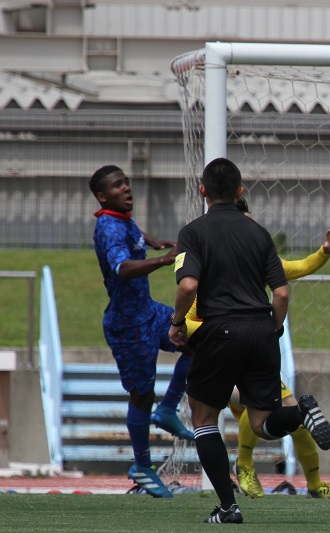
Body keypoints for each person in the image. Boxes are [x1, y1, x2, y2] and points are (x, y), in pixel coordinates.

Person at [169, 157, 330, 524]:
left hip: (220, 331)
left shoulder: (193, 232)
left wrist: (177, 321)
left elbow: (188, 285)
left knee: (204, 417)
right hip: (261, 331)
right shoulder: (258, 234)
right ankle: (300, 412)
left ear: (202, 191)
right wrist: (273, 328)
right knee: (263, 422)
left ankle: (228, 508)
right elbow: (282, 294)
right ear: (240, 191)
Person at [89, 165, 194, 499]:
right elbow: (121, 268)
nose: (127, 188)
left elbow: (131, 237)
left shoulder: (121, 218)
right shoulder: (107, 226)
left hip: (148, 312)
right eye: (118, 185)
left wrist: (150, 240)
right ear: (103, 196)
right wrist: (163, 260)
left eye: (127, 182)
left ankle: (168, 409)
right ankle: (143, 466)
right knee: (141, 395)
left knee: (197, 340)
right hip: (128, 326)